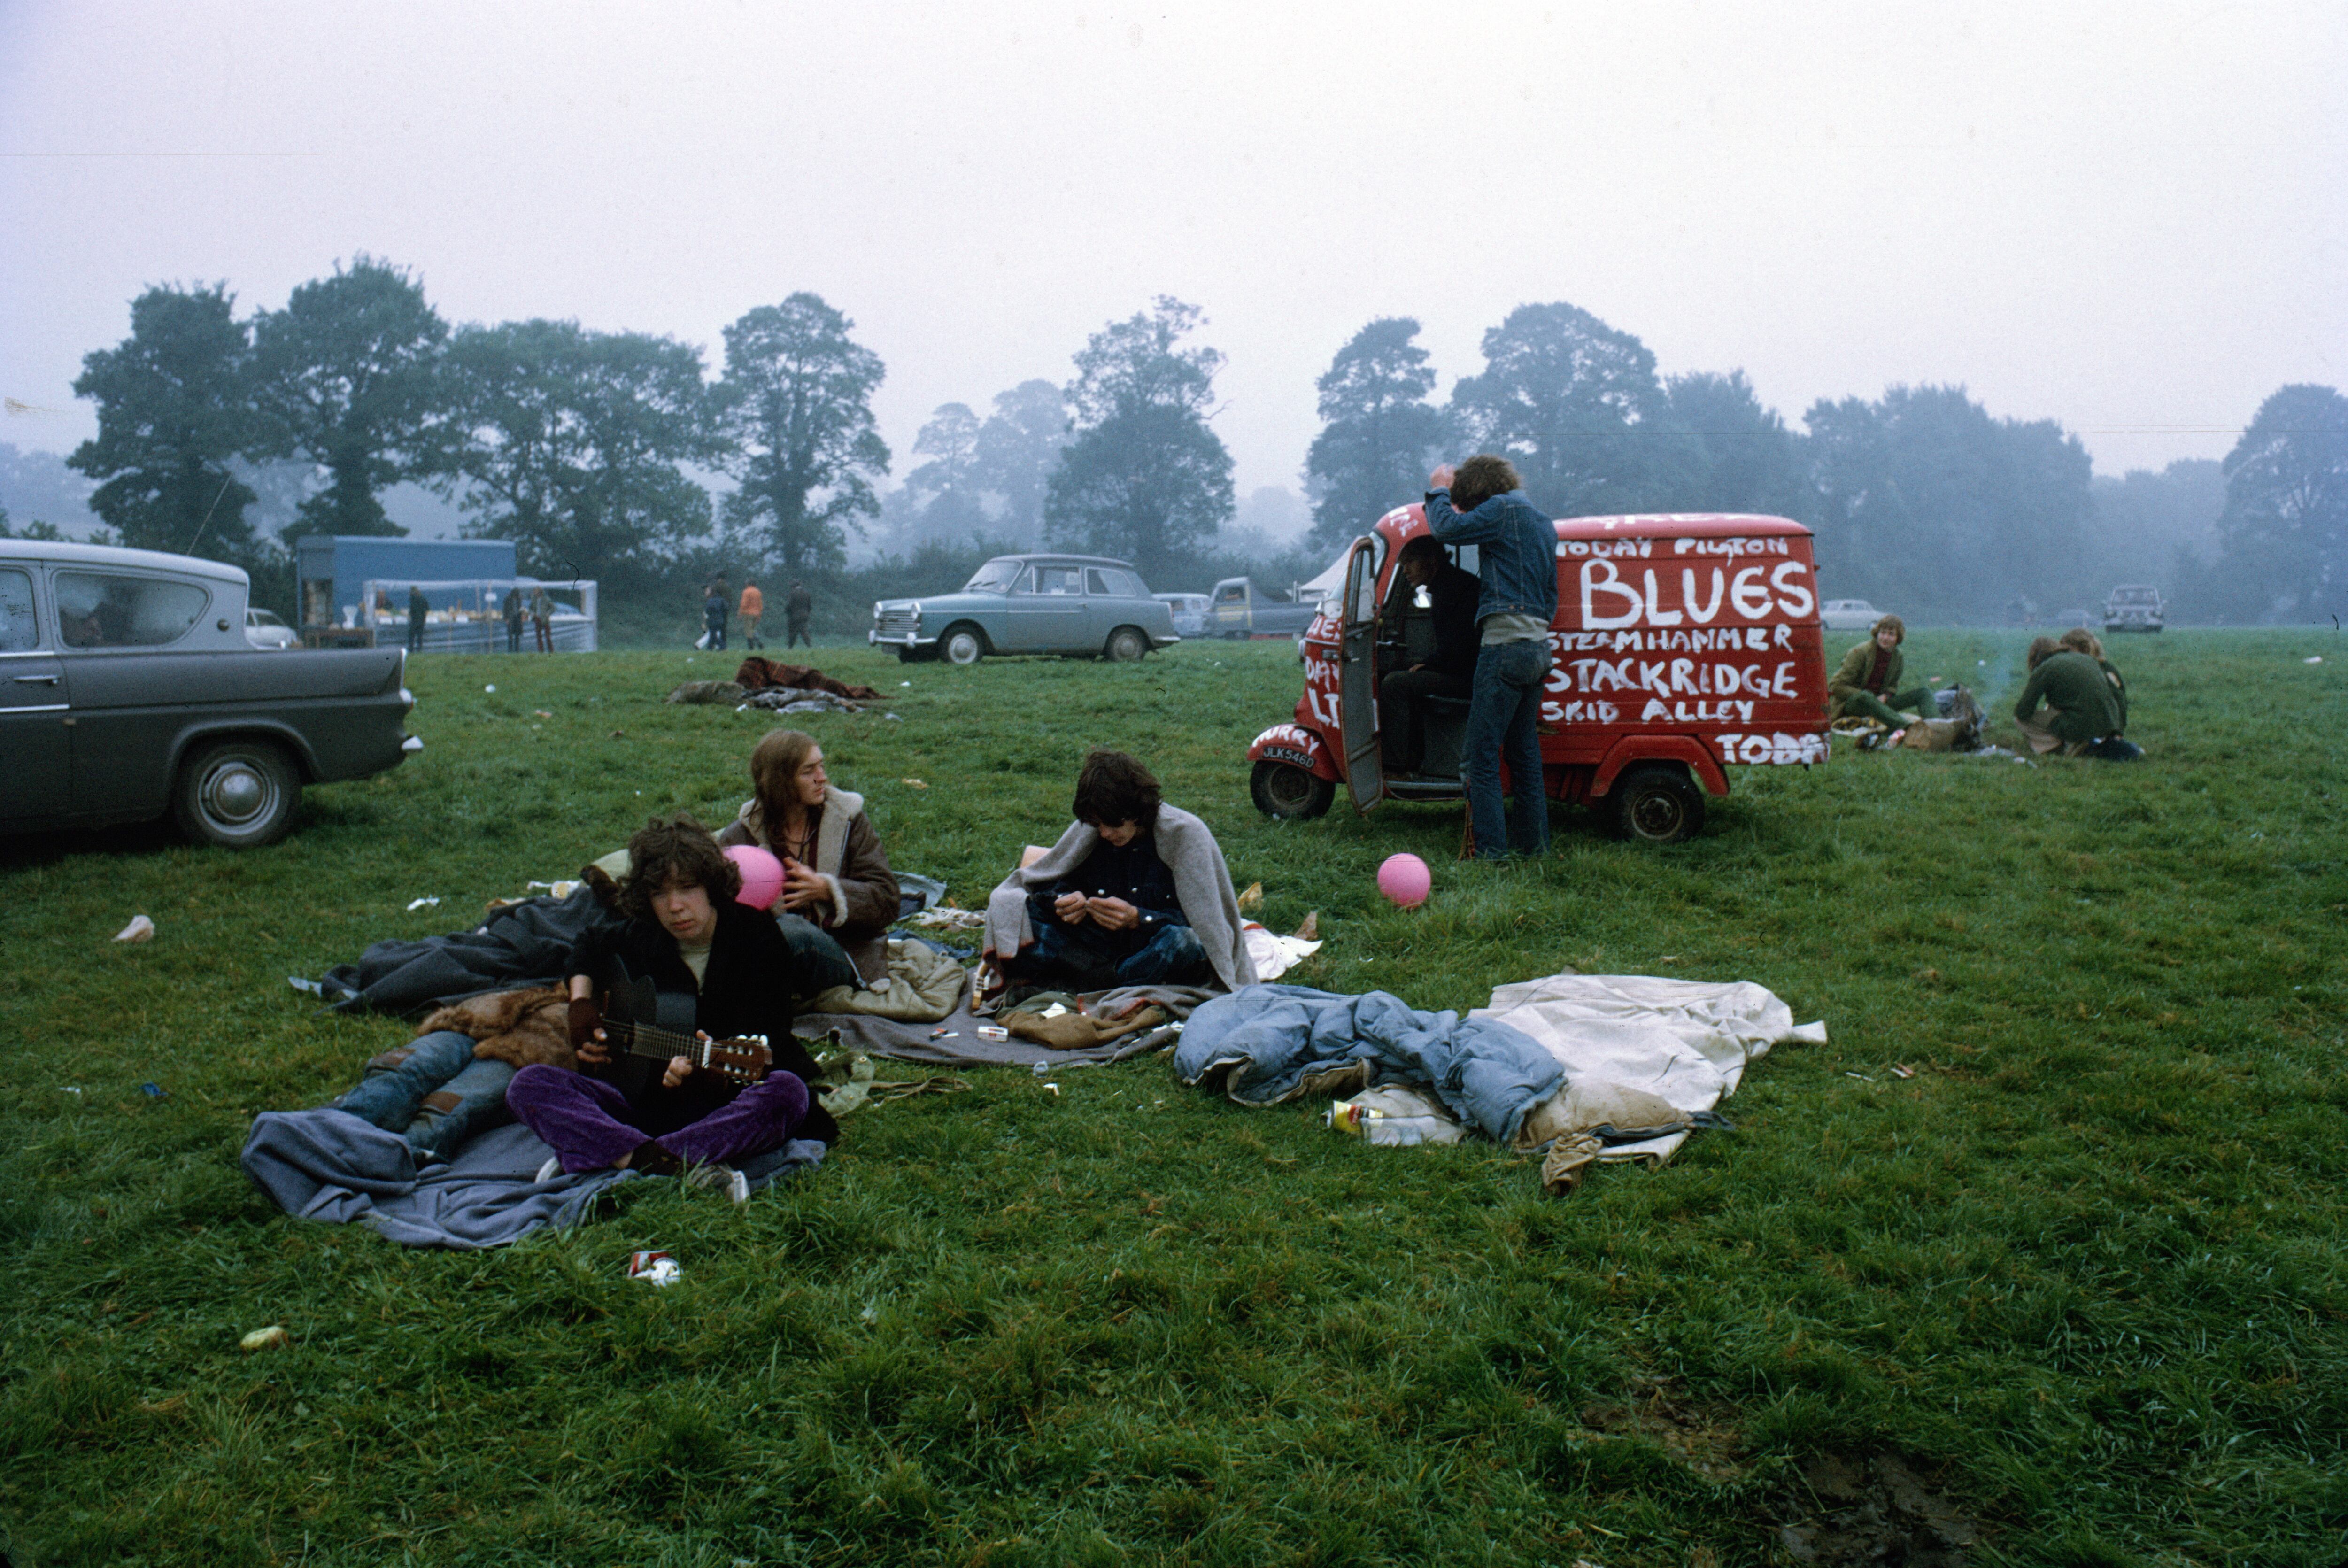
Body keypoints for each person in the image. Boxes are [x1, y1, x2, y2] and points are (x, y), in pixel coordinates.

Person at [507, 815, 836, 1194]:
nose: (675, 906)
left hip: (727, 1104)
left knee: (788, 1092)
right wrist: (580, 1003)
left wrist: (712, 1076)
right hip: (642, 1103)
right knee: (528, 1085)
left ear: (711, 885)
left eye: (687, 888)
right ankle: (668, 1163)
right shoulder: (644, 934)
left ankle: (618, 1153)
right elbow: (589, 944)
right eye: (660, 894)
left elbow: (771, 1038)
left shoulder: (755, 936)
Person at [983, 750, 1257, 995]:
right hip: (1097, 950)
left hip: (1151, 949)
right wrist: (1067, 900)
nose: (1103, 833)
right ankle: (1106, 982)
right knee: (1018, 910)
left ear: (1136, 811)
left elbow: (1206, 925)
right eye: (1097, 825)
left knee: (1184, 943)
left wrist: (1139, 919)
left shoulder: (1184, 835)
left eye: (1112, 825)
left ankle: (1088, 984)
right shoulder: (1093, 828)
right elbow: (1048, 881)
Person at [1423, 455, 1558, 859]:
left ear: (1479, 493)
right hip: (1537, 649)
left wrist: (1440, 490)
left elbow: (1446, 528)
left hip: (1504, 647)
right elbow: (1550, 594)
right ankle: (1536, 849)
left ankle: (1491, 854)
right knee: (1524, 754)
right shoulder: (1542, 521)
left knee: (1481, 755)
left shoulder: (1500, 510)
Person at [716, 728, 901, 986]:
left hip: (844, 954)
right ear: (780, 781)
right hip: (766, 958)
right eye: (808, 771)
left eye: (822, 767)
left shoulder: (849, 820)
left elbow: (889, 900)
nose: (822, 778)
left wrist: (827, 890)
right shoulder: (741, 837)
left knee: (793, 933)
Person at [328, 988, 571, 1165]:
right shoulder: (590, 936)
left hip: (546, 1044)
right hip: (479, 1017)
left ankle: (376, 1162)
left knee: (446, 1106)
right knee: (396, 1072)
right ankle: (320, 1135)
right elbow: (585, 952)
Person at [1380, 534, 1482, 773]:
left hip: (1467, 677)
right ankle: (1413, 751)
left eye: (1410, 563)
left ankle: (1395, 763)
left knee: (1394, 683)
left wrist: (1429, 665)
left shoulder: (1453, 591)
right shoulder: (1452, 585)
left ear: (1432, 561)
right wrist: (1426, 663)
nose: (1405, 571)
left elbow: (1460, 647)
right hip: (1463, 669)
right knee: (1396, 671)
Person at [2012, 637, 2134, 758]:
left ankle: (2056, 748)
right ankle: (2080, 742)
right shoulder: (2087, 659)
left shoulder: (2046, 667)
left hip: (2081, 722)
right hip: (2110, 722)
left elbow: (2023, 711)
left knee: (2020, 720)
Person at [1828, 615, 1937, 728]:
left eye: (1891, 634)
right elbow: (1836, 685)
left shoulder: (1898, 657)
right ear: (1877, 633)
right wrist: (1867, 696)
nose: (1885, 638)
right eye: (1883, 633)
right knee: (1866, 696)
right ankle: (1908, 729)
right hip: (1853, 704)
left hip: (1879, 704)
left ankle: (1938, 728)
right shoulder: (1860, 652)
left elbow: (1892, 686)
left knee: (1924, 693)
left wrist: (1886, 695)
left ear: (1898, 638)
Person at [2059, 627, 2126, 734]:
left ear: (2084, 650)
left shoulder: (2106, 671)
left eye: (2068, 652)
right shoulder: (2075, 670)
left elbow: (2119, 703)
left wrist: (2117, 733)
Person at [786, 580, 813, 649]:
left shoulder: (793, 593)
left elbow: (789, 605)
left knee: (793, 633)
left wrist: (787, 611)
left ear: (794, 586)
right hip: (804, 616)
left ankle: (790, 647)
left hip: (794, 616)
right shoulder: (806, 593)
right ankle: (809, 646)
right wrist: (807, 613)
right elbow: (809, 606)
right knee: (804, 632)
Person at [702, 580, 729, 651]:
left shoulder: (711, 600)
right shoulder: (721, 599)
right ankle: (709, 649)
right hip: (720, 620)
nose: (705, 592)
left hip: (713, 621)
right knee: (712, 636)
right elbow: (726, 608)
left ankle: (723, 647)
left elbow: (708, 610)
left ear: (711, 591)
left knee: (713, 636)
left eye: (707, 591)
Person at [739, 580, 765, 650]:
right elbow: (760, 605)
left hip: (748, 613)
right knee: (753, 630)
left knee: (748, 631)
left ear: (748, 584)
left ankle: (751, 647)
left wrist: (740, 613)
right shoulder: (758, 592)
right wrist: (759, 615)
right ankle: (759, 642)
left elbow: (744, 604)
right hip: (756, 614)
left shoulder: (746, 592)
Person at [529, 586, 553, 653]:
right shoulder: (534, 600)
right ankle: (541, 651)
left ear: (540, 592)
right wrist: (532, 613)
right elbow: (530, 608)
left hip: (545, 619)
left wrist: (548, 613)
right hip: (537, 619)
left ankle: (551, 651)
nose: (535, 592)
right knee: (539, 636)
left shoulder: (546, 599)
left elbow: (553, 608)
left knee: (548, 636)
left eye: (536, 591)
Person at [502, 587, 525, 654]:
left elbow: (520, 608)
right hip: (510, 618)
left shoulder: (519, 599)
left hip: (517, 618)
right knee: (510, 635)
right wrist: (506, 618)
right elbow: (505, 609)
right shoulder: (508, 599)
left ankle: (517, 650)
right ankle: (510, 650)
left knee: (517, 635)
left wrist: (522, 612)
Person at [406, 584, 428, 654]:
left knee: (412, 637)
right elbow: (427, 609)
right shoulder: (423, 599)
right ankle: (419, 650)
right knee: (420, 637)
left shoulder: (413, 599)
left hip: (414, 620)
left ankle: (411, 650)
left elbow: (412, 609)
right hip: (422, 620)